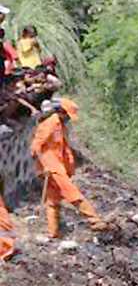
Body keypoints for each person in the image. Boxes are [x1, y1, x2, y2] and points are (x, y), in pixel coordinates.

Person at [31, 98, 108, 238]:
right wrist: (44, 165)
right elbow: (36, 147)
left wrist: (69, 167)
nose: (68, 119)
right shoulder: (49, 124)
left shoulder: (60, 125)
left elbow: (63, 149)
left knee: (53, 201)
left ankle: (53, 233)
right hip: (51, 167)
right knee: (72, 193)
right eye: (67, 115)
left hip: (57, 166)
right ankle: (95, 221)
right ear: (61, 111)